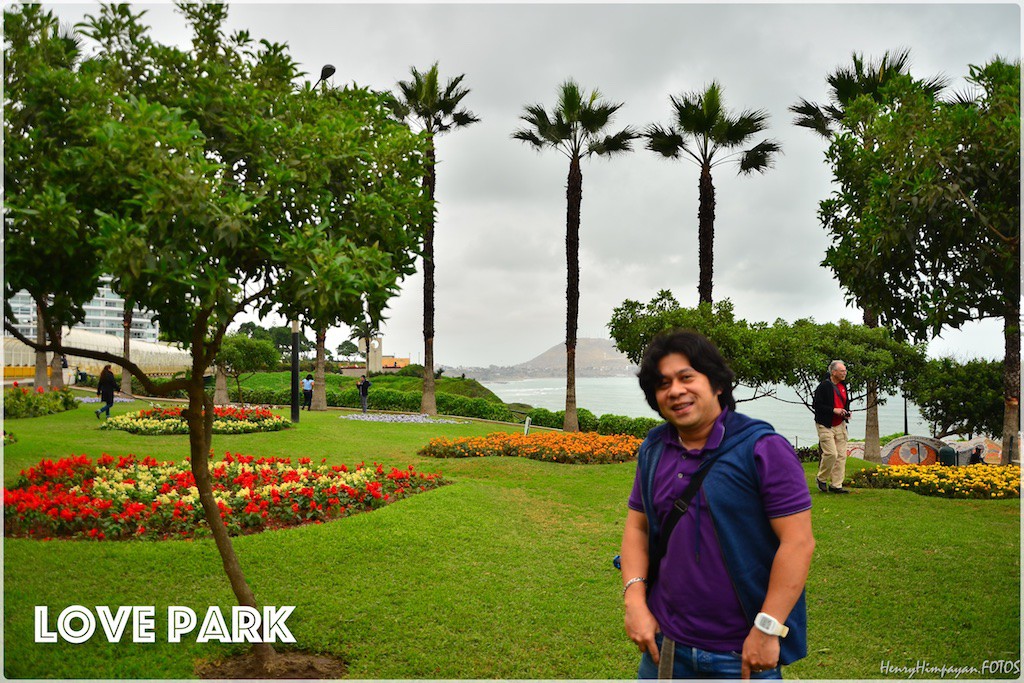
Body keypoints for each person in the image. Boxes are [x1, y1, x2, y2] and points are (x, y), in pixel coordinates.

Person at [621, 330, 814, 679]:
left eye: (686, 377)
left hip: (739, 654)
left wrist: (767, 629)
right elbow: (638, 526)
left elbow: (798, 542)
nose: (675, 390)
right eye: (663, 383)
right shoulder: (654, 447)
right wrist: (634, 602)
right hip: (665, 648)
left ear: (718, 384)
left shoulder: (763, 448)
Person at [812, 360, 851, 494]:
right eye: (842, 371)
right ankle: (821, 478)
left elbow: (845, 402)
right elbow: (817, 405)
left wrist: (846, 412)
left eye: (845, 371)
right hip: (825, 424)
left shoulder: (843, 386)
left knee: (841, 455)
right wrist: (833, 410)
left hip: (840, 424)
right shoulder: (824, 386)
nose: (844, 373)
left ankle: (836, 485)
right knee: (831, 453)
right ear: (833, 372)